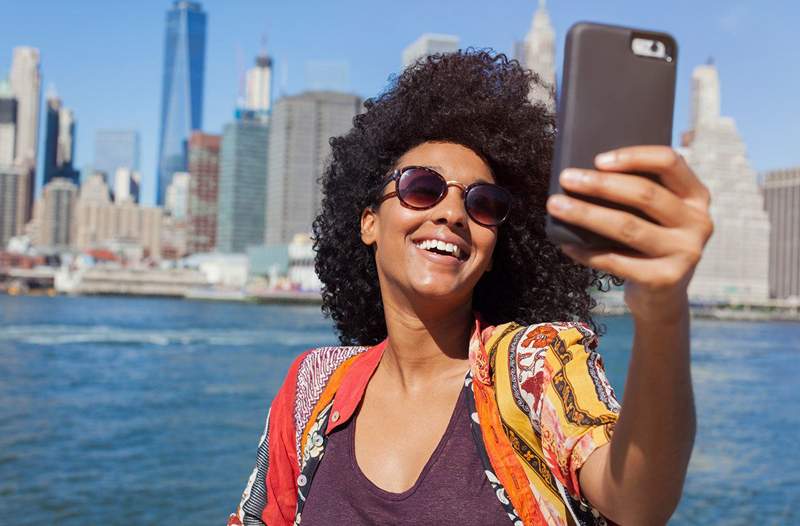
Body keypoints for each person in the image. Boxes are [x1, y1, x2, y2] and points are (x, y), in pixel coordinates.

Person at [228, 50, 713, 526]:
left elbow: (635, 502)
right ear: (369, 222)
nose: (453, 214)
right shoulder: (313, 387)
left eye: (483, 204)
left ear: (495, 247)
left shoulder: (536, 367)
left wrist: (662, 306)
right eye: (422, 187)